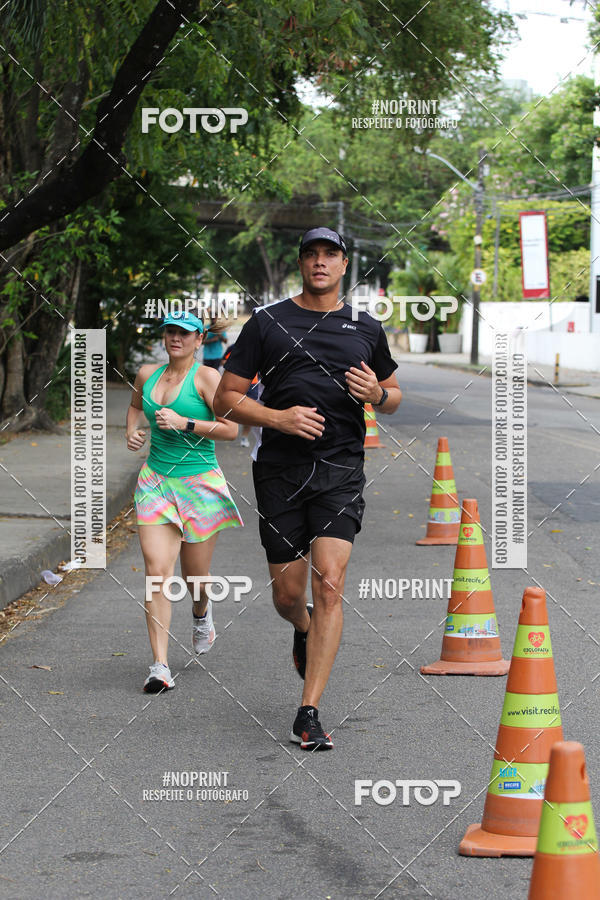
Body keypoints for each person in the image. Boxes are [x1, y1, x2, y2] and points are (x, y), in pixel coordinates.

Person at [213, 226, 402, 750]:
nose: (320, 262)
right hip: (280, 471)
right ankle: (301, 627)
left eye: (330, 255)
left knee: (330, 583)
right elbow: (224, 399)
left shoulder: (365, 326)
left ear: (344, 265)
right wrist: (277, 417)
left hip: (341, 468)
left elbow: (393, 393)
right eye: (311, 254)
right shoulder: (268, 322)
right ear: (301, 263)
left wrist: (378, 394)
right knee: (289, 594)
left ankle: (309, 711)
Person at [126, 310, 242, 693]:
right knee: (157, 572)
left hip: (199, 484)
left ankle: (201, 611)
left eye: (184, 333)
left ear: (199, 340)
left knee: (195, 577)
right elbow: (133, 406)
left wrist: (186, 423)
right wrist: (133, 431)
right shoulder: (147, 374)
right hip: (155, 481)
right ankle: (159, 665)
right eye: (170, 331)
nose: (176, 338)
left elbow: (231, 429)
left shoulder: (208, 379)